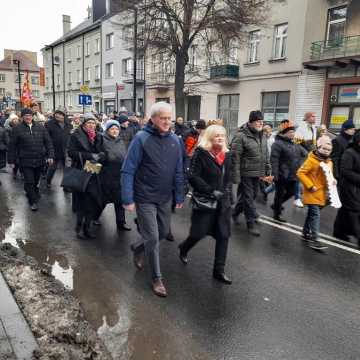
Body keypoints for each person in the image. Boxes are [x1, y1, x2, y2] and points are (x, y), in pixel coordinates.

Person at [121, 101, 184, 298]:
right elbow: (128, 170)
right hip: (145, 196)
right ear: (153, 119)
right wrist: (128, 198)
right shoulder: (141, 138)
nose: (167, 122)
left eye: (169, 118)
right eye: (163, 118)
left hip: (164, 196)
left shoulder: (175, 140)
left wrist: (179, 194)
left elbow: (178, 170)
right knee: (153, 237)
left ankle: (138, 247)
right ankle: (157, 278)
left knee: (163, 232)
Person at [178, 125, 232, 284]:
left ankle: (219, 271)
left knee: (224, 235)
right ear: (209, 137)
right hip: (205, 202)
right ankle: (184, 247)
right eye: (217, 136)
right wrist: (210, 190)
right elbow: (193, 176)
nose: (220, 138)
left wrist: (227, 192)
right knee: (198, 233)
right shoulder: (201, 154)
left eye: (222, 135)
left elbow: (230, 176)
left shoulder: (227, 155)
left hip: (223, 202)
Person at [231, 110, 271, 236]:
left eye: (261, 121)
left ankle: (235, 212)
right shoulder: (241, 136)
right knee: (248, 197)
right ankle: (250, 223)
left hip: (257, 172)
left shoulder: (263, 136)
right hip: (245, 172)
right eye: (258, 121)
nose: (260, 124)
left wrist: (267, 169)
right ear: (251, 121)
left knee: (252, 196)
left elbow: (265, 154)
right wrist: (236, 176)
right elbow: (235, 157)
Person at [7, 108, 54, 211]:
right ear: (22, 117)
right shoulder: (17, 129)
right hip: (25, 160)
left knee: (36, 180)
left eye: (30, 115)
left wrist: (50, 155)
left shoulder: (41, 127)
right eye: (25, 115)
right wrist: (11, 161)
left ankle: (32, 190)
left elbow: (48, 142)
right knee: (29, 181)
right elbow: (12, 146)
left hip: (39, 159)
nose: (28, 117)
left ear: (33, 116)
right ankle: (32, 201)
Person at [68, 113, 105, 239]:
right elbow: (71, 152)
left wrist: (101, 155)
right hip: (81, 170)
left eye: (93, 123)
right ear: (83, 124)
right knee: (81, 202)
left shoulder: (98, 136)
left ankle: (87, 227)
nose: (91, 125)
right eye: (89, 123)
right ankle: (79, 228)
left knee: (91, 201)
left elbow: (102, 151)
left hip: (94, 169)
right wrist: (89, 156)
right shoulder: (75, 135)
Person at [297, 136, 334, 251]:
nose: (326, 151)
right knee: (315, 215)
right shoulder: (311, 160)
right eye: (324, 149)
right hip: (311, 192)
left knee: (311, 215)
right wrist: (310, 185)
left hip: (322, 194)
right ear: (318, 147)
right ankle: (315, 240)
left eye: (328, 150)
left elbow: (328, 177)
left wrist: (333, 181)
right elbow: (300, 173)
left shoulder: (329, 162)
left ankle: (305, 233)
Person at [270, 120, 307, 222]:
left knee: (291, 192)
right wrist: (275, 174)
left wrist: (304, 143)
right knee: (280, 194)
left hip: (293, 174)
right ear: (283, 133)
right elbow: (274, 160)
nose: (292, 134)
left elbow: (305, 154)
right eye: (290, 132)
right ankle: (277, 214)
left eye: (293, 132)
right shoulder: (277, 144)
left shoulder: (295, 143)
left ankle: (276, 205)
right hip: (282, 174)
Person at [99, 120, 131, 231]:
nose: (115, 131)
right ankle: (94, 218)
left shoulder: (120, 141)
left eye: (117, 129)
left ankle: (121, 223)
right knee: (102, 200)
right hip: (106, 174)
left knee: (119, 200)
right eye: (112, 129)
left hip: (119, 175)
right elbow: (98, 157)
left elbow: (125, 155)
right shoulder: (101, 140)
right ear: (107, 130)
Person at [333, 129, 360, 245]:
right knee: (354, 211)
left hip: (357, 187)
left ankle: (339, 231)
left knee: (345, 210)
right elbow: (345, 171)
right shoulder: (350, 152)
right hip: (348, 187)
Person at [293, 112, 318, 208]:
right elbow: (297, 143)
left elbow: (313, 143)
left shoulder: (314, 128)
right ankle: (297, 198)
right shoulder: (301, 128)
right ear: (307, 118)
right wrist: (305, 153)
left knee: (308, 177)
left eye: (314, 116)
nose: (315, 117)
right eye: (313, 116)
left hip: (310, 156)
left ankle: (306, 197)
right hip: (301, 156)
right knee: (299, 178)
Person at [45, 110, 73, 188]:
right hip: (54, 149)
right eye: (56, 114)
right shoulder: (49, 124)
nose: (57, 116)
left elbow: (70, 136)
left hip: (66, 150)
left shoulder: (69, 125)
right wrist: (48, 149)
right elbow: (47, 138)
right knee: (52, 168)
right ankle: (48, 180)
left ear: (63, 116)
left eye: (60, 114)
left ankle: (66, 185)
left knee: (67, 168)